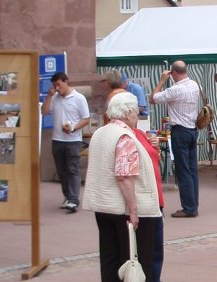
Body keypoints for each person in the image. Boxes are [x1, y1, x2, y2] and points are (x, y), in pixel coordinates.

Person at [83, 92, 163, 282]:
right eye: (136, 112)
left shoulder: (100, 132)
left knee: (110, 259)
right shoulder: (124, 136)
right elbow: (124, 176)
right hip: (125, 209)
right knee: (136, 262)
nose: (137, 116)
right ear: (128, 113)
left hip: (104, 206)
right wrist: (133, 211)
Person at [151, 60, 202, 218]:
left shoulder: (175, 89)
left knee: (183, 171)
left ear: (174, 72)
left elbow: (153, 98)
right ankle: (193, 204)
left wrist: (161, 81)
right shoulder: (195, 85)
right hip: (192, 129)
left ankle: (188, 207)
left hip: (180, 131)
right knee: (192, 169)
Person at [41, 72, 91, 213]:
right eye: (55, 85)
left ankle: (74, 200)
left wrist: (74, 127)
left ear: (66, 81)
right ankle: (68, 197)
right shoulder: (55, 98)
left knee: (72, 169)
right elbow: (44, 112)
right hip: (57, 139)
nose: (57, 88)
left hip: (73, 140)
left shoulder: (79, 98)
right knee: (62, 171)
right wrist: (49, 96)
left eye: (59, 85)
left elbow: (86, 118)